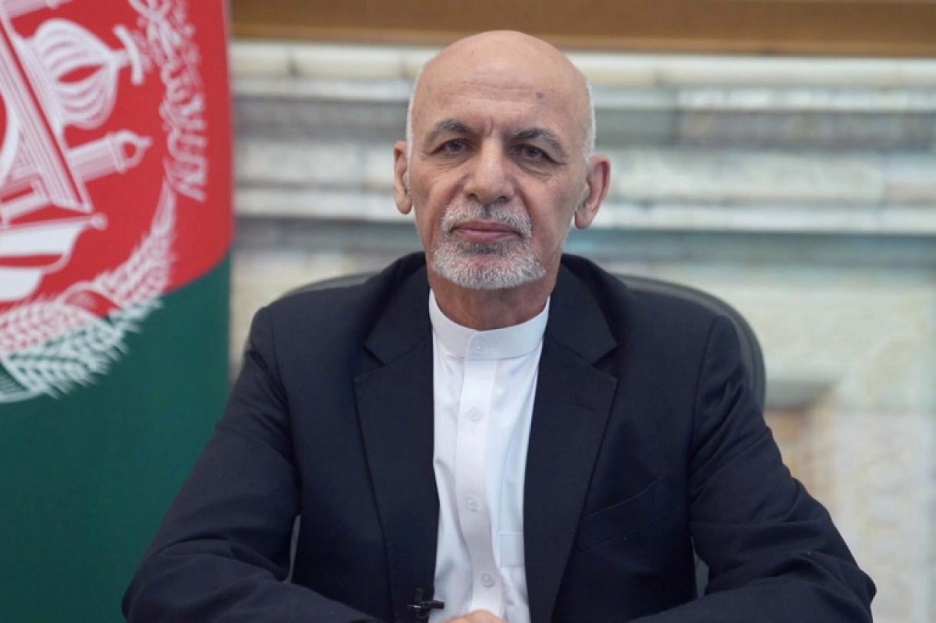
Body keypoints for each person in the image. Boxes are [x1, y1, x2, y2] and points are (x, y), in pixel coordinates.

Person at [123, 30, 875, 623]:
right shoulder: (304, 347)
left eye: (532, 151)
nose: (486, 182)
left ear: (589, 191)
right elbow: (179, 578)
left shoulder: (680, 357)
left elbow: (819, 588)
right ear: (404, 175)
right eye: (454, 145)